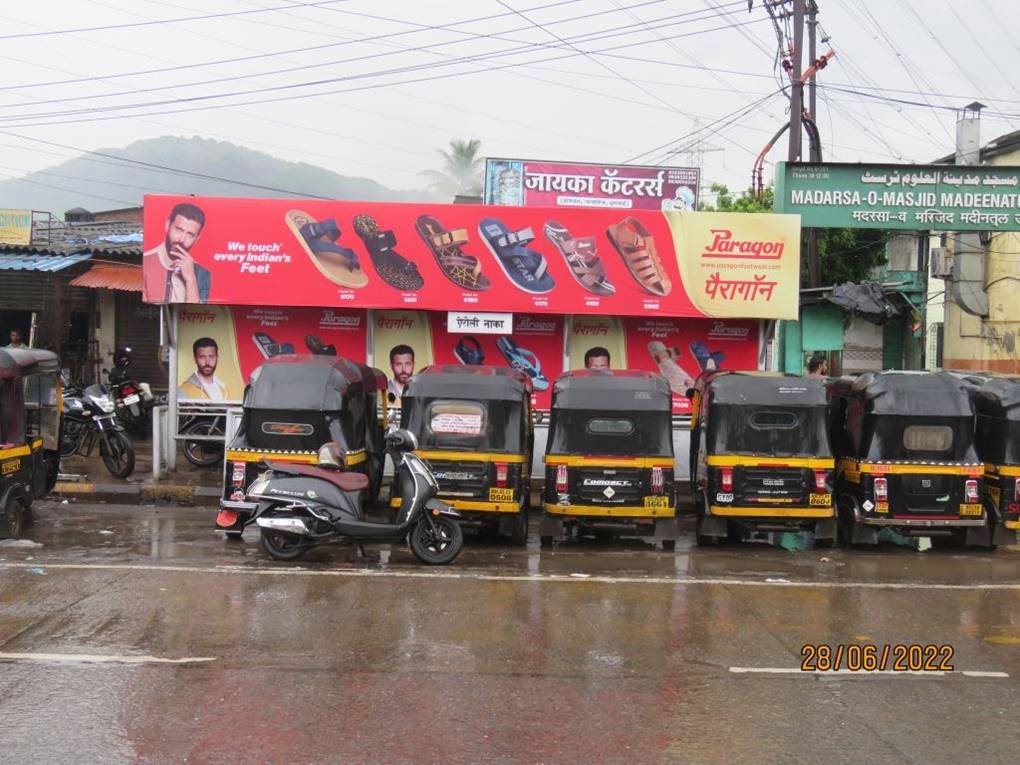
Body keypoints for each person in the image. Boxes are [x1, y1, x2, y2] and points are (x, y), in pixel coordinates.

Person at [143, 202, 212, 303]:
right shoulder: (146, 262)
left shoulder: (202, 274)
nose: (182, 239)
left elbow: (195, 313)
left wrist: (191, 279)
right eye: (179, 230)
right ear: (167, 225)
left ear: (196, 239)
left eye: (190, 235)